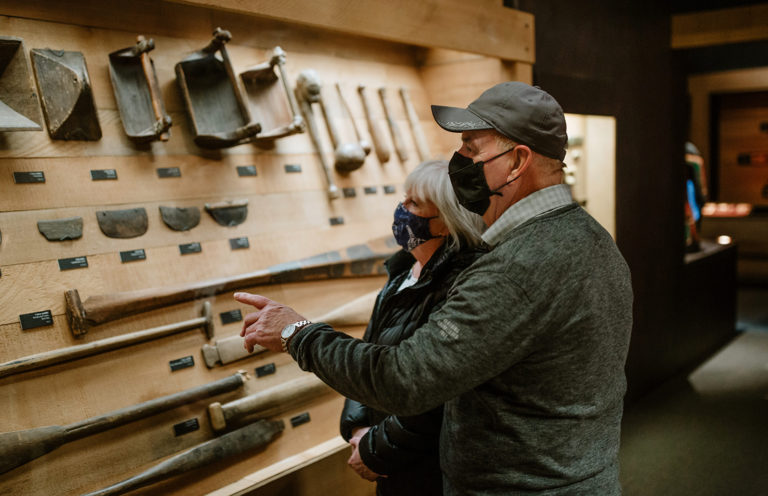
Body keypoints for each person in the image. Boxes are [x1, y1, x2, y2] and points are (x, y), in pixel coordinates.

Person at [235, 81, 633, 495]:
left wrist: (296, 333)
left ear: (517, 161)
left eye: (471, 149)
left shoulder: (518, 268)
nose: (458, 160)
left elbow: (405, 379)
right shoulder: (591, 237)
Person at [341, 160, 486, 495]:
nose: (401, 209)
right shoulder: (402, 272)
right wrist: (358, 428)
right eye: (404, 198)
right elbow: (368, 354)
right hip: (389, 460)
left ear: (446, 221)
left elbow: (436, 399)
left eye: (415, 203)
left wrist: (375, 449)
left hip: (430, 470)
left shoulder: (460, 286)